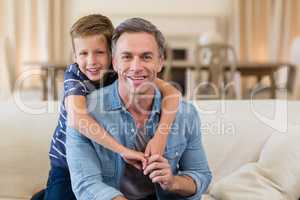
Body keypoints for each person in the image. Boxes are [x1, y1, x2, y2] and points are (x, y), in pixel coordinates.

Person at [32, 14, 181, 200]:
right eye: (83, 53)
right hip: (67, 165)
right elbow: (78, 120)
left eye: (99, 52)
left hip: (102, 163)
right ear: (75, 56)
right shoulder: (75, 76)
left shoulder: (120, 72)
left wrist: (160, 136)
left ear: (112, 54)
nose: (92, 61)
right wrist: (123, 150)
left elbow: (173, 94)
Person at [66, 17, 212, 200]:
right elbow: (86, 184)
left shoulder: (185, 113)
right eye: (127, 57)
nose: (136, 67)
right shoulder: (85, 112)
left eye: (146, 57)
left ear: (160, 62)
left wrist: (173, 182)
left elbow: (201, 175)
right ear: (115, 62)